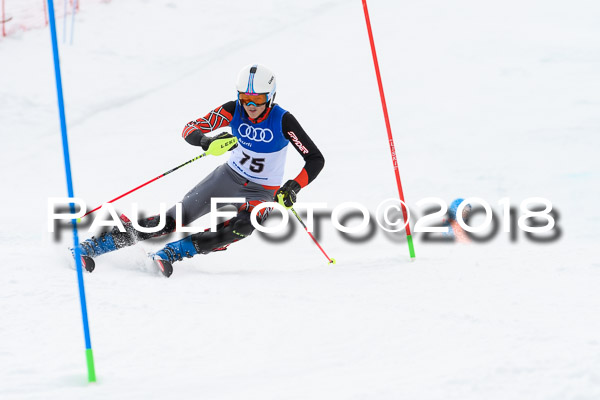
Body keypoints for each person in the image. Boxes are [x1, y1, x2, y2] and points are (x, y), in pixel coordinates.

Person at [76, 64, 325, 275]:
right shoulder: (233, 109)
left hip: (262, 191)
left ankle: (174, 252)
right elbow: (190, 128)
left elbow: (315, 159)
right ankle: (97, 245)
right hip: (227, 177)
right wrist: (206, 141)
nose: (250, 105)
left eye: (258, 99)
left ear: (270, 96)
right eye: (245, 98)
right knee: (172, 220)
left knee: (245, 226)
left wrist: (294, 186)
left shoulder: (283, 120)